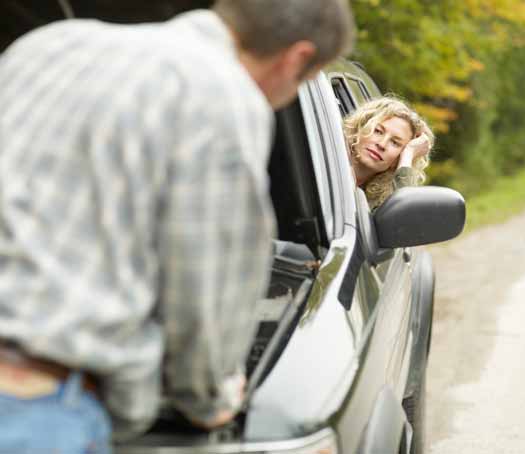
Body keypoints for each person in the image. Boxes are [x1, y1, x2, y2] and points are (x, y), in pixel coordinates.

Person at [0, 0, 355, 450]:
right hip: (34, 407)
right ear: (297, 58)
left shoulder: (48, 46)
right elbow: (200, 283)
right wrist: (209, 397)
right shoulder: (221, 93)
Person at [343, 95, 434, 210]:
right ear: (358, 129)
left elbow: (403, 215)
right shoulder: (322, 159)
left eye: (395, 143)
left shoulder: (381, 203)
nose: (382, 144)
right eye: (378, 131)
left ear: (397, 159)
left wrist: (408, 156)